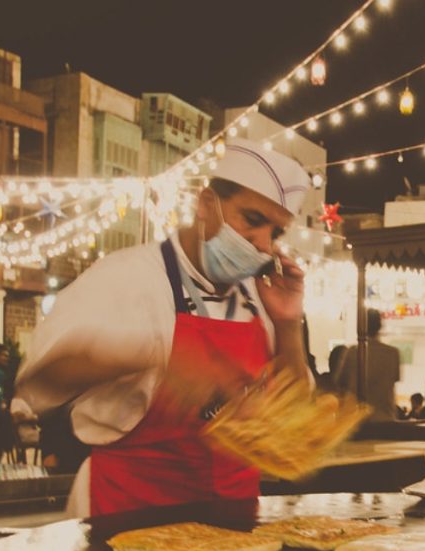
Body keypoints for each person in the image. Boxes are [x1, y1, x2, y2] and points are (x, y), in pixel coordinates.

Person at [17, 139, 312, 520]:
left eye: (277, 233)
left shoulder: (261, 296)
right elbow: (43, 377)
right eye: (252, 220)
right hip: (129, 513)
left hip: (233, 520)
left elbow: (294, 416)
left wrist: (288, 324)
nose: (263, 244)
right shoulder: (129, 276)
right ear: (206, 204)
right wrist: (155, 360)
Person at [335, 308, 401, 422]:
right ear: (380, 326)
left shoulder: (352, 352)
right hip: (385, 418)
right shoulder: (392, 353)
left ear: (361, 325)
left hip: (356, 419)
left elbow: (341, 383)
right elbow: (394, 379)